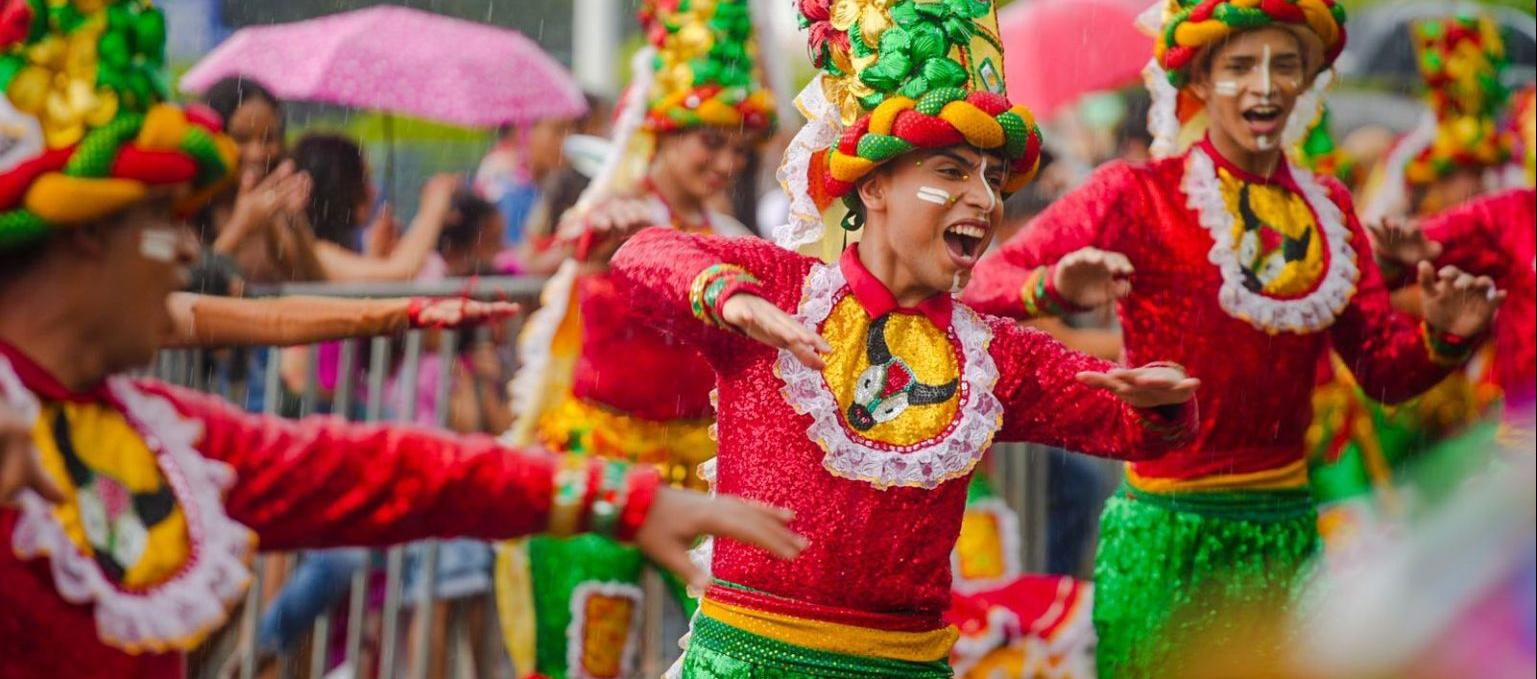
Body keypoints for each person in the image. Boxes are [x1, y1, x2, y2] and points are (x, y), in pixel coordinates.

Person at [0, 4, 805, 676]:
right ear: (83, 235)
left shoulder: (163, 438)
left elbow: (390, 471)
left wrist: (625, 498)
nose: (188, 254)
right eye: (160, 226)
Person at [591, 0, 1206, 674]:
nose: (984, 199)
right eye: (950, 172)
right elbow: (642, 254)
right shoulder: (784, 290)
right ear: (875, 185)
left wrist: (1161, 402)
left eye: (991, 178)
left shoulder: (994, 354)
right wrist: (728, 296)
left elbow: (1135, 430)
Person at [961, 1, 1505, 675]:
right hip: (1166, 536)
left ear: (1308, 79)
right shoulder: (1137, 193)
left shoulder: (1329, 208)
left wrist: (1444, 339)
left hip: (1287, 534)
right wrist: (1053, 289)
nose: (1265, 84)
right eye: (1240, 66)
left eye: (1285, 64)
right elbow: (982, 277)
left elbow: (1380, 370)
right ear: (1197, 81)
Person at [493, 2, 778, 676]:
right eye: (708, 141)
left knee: (734, 646)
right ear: (662, 136)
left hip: (698, 471)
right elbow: (576, 242)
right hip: (597, 461)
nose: (725, 160)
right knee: (578, 645)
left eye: (736, 147)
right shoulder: (619, 214)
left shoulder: (733, 239)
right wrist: (603, 235)